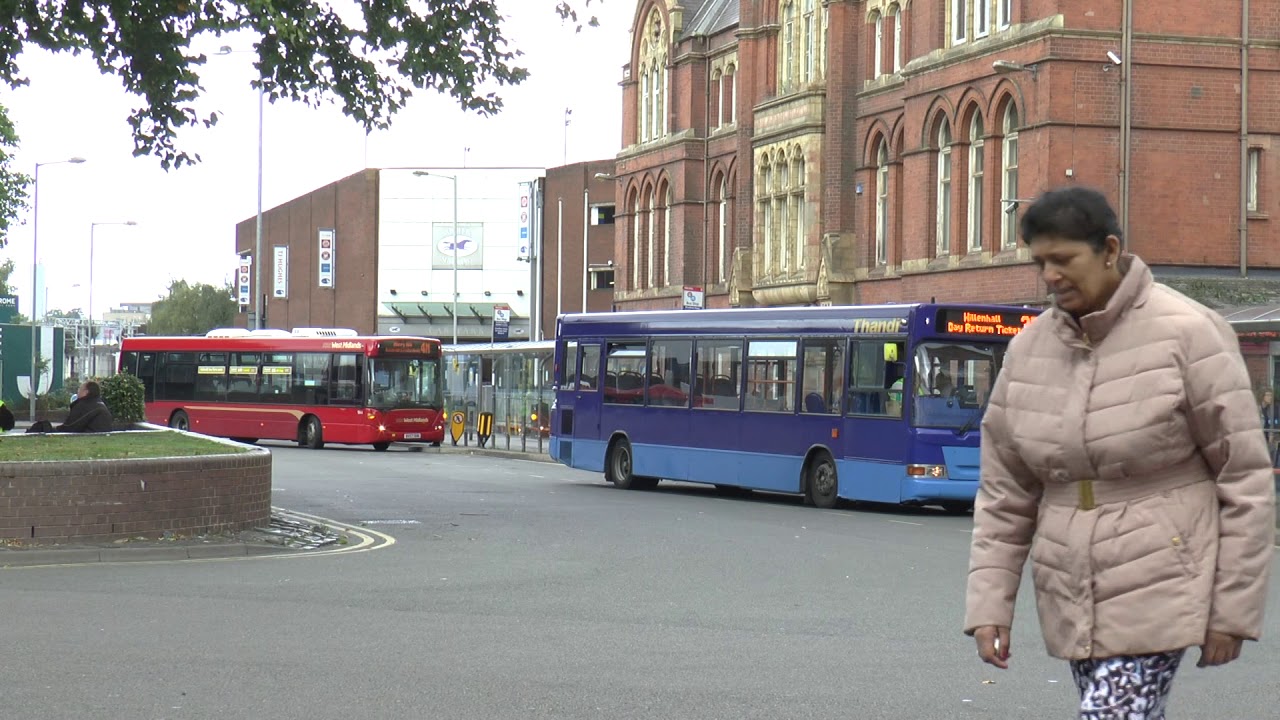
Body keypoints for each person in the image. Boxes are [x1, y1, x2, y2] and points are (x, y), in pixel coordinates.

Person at [964, 186, 1275, 719]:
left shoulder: (1191, 333)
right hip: (1067, 580)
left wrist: (1233, 610)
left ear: (1110, 250)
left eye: (1064, 259)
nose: (1051, 276)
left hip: (1165, 572)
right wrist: (990, 606)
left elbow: (1245, 479)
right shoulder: (1028, 349)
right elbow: (1005, 494)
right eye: (1041, 262)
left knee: (1109, 715)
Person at [1259, 388, 1280, 466]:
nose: (1270, 397)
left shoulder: (1273, 409)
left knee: (1272, 461)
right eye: (1268, 395)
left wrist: (1272, 433)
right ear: (1263, 396)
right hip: (1260, 438)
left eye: (1271, 395)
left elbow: (1276, 423)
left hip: (1270, 439)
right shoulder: (1258, 408)